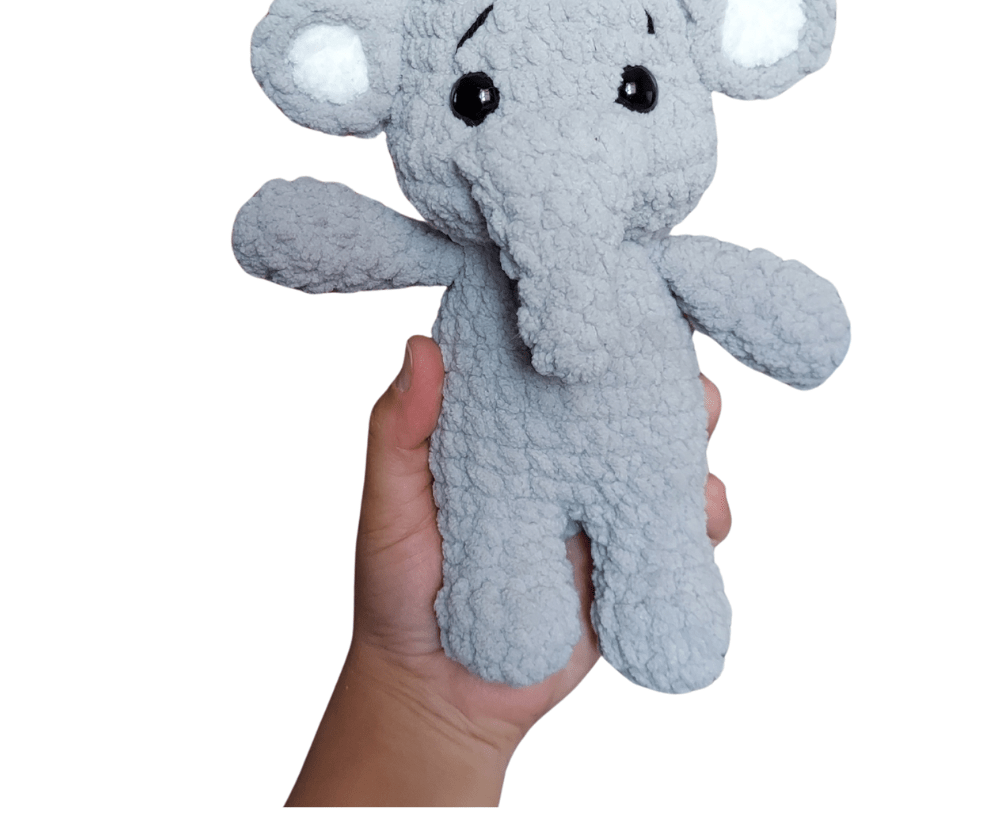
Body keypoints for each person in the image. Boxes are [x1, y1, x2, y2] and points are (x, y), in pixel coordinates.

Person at [286, 336, 732, 807]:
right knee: (518, 526)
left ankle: (657, 588)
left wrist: (417, 703)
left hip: (603, 429)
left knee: (652, 505)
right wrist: (414, 693)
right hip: (503, 451)